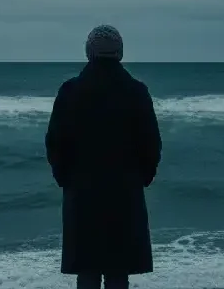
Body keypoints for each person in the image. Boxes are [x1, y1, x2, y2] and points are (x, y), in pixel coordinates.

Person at [45, 25, 162, 289]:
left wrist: (64, 178)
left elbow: (55, 143)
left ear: (89, 52)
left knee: (87, 270)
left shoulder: (70, 91)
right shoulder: (136, 91)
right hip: (125, 191)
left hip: (81, 192)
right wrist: (142, 178)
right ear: (119, 53)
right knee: (118, 271)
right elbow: (151, 144)